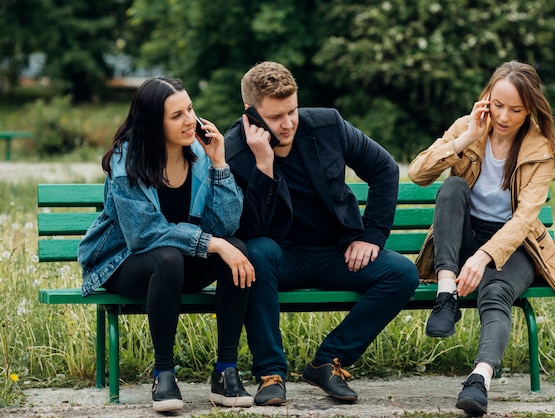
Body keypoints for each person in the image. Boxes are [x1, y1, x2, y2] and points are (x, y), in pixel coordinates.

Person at [224, 61, 419, 406]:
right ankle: (271, 374)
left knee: (402, 273)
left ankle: (329, 361)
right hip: (280, 259)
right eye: (275, 117)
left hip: (336, 252)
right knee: (257, 252)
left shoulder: (329, 125)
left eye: (292, 111)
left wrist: (371, 236)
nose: (287, 124)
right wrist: (264, 166)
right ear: (250, 112)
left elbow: (385, 169)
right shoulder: (235, 152)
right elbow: (250, 230)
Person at [408, 61, 555, 416]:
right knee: (451, 187)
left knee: (495, 292)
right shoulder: (468, 126)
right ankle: (445, 295)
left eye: (516, 109)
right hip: (466, 235)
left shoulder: (540, 150)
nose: (504, 116)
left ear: (530, 109)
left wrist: (483, 257)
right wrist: (465, 139)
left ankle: (480, 379)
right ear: (486, 99)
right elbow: (418, 174)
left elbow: (524, 219)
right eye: (497, 105)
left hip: (516, 246)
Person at [77, 76, 256, 412]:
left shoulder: (199, 156)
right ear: (152, 123)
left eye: (190, 109)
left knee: (237, 251)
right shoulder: (125, 162)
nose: (190, 120)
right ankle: (163, 373)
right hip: (124, 263)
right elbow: (144, 233)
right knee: (170, 257)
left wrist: (219, 162)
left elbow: (226, 224)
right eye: (176, 115)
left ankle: (225, 370)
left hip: (176, 262)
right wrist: (214, 244)